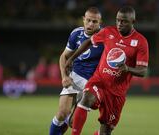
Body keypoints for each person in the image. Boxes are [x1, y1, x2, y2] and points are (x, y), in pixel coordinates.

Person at [65, 6, 149, 135]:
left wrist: (127, 68)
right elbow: (89, 42)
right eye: (118, 20)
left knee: (105, 131)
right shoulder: (108, 32)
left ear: (133, 22)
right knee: (86, 99)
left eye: (124, 21)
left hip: (116, 92)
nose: (120, 24)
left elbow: (142, 71)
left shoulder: (140, 42)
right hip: (99, 81)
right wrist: (72, 58)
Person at [49, 7, 104, 135]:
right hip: (75, 77)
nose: (90, 24)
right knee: (62, 113)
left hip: (91, 83)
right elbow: (64, 56)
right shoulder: (76, 34)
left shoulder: (105, 38)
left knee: (73, 122)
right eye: (88, 20)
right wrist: (64, 76)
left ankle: (67, 123)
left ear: (100, 22)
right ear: (83, 20)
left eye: (95, 22)